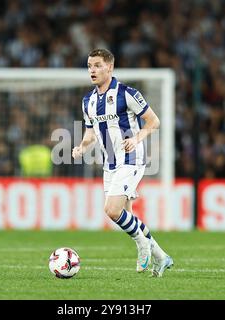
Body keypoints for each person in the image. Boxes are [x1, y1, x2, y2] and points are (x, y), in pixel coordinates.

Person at [72, 49, 173, 277]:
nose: (92, 70)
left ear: (110, 67)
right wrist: (81, 147)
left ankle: (142, 244)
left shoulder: (127, 93)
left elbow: (153, 121)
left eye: (97, 65)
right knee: (126, 214)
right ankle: (162, 257)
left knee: (111, 209)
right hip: (110, 163)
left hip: (132, 158)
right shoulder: (87, 101)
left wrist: (136, 138)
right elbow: (90, 133)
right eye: (89, 66)